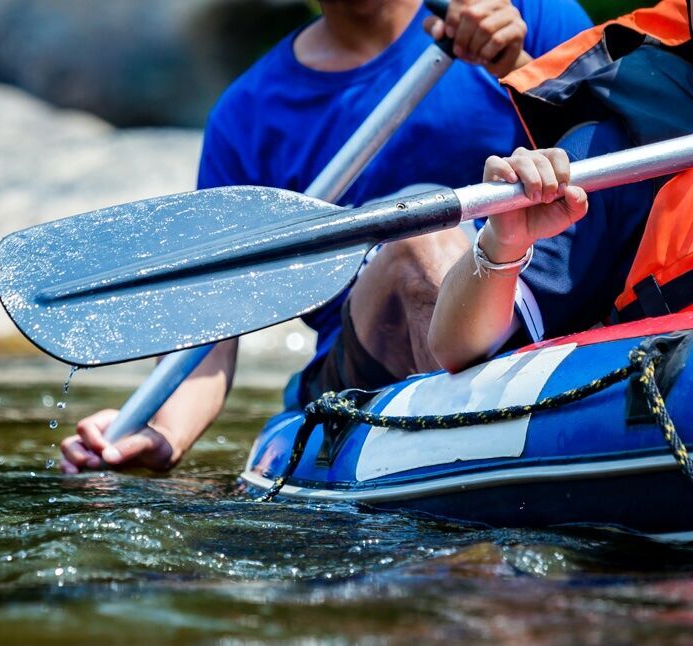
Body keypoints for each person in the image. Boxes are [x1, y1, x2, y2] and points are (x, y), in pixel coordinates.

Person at [61, 0, 591, 474]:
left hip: (544, 300)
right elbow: (216, 325)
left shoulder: (530, 15)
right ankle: (487, 463)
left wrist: (520, 71)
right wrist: (164, 432)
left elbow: (618, 145)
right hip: (370, 357)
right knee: (422, 234)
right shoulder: (248, 115)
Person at [430, 0, 693, 369]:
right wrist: (504, 241)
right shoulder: (611, 153)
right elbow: (454, 347)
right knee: (421, 252)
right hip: (656, 404)